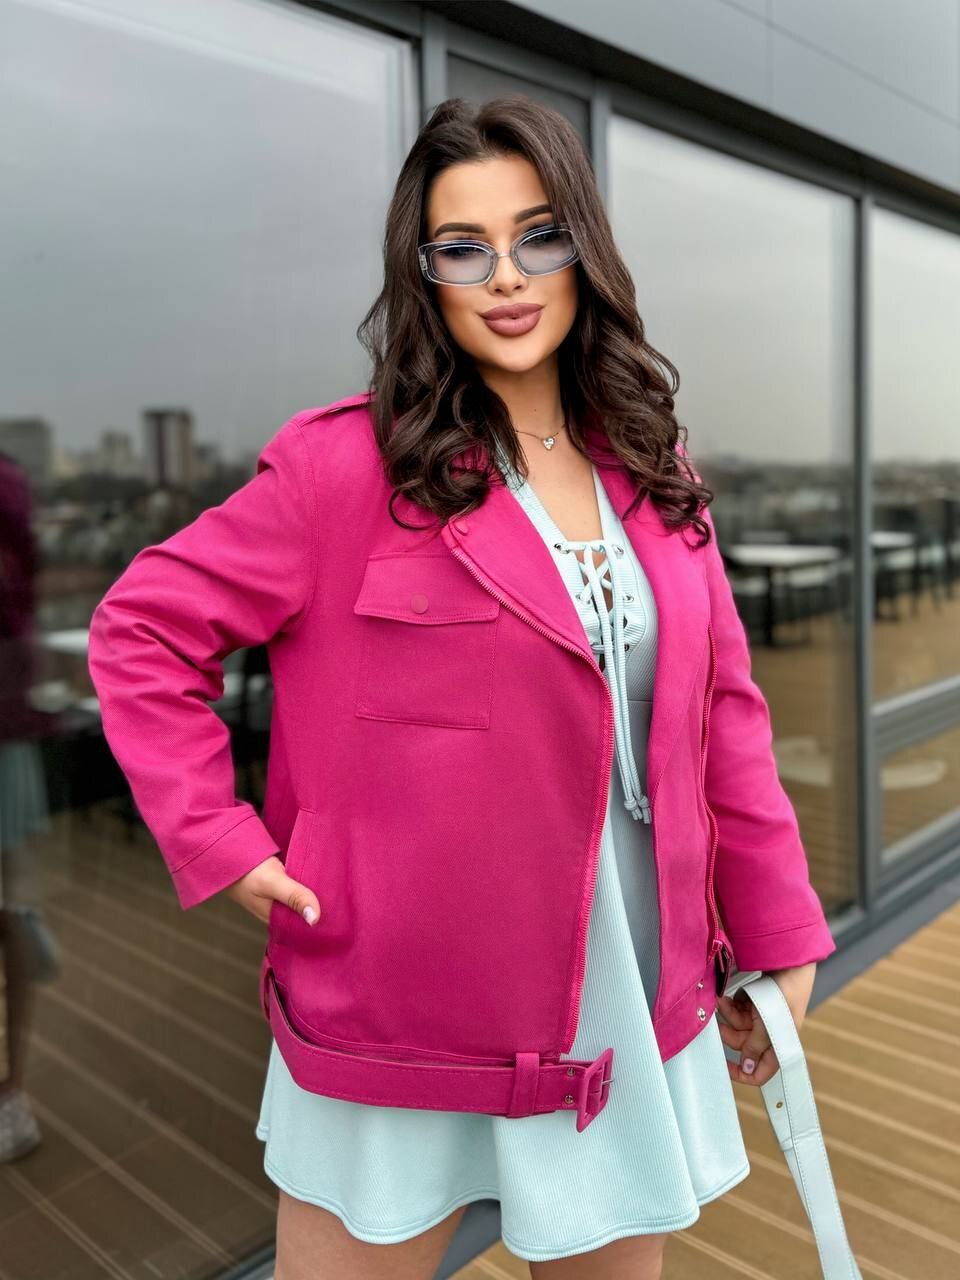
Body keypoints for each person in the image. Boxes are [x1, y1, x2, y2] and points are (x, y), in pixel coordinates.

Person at [87, 96, 837, 1280]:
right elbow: (142, 629)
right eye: (463, 246)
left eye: (538, 235)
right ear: (424, 271)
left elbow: (722, 713)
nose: (507, 275)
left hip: (630, 983)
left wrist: (779, 932)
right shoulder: (342, 466)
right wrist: (220, 840)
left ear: (584, 247)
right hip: (403, 1001)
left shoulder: (653, 462)